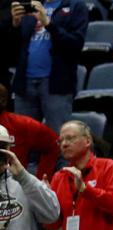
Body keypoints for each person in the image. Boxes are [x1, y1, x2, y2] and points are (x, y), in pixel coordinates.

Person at [9, 0, 86, 132]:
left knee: (57, 138)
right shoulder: (32, 5)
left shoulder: (76, 5)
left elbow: (75, 44)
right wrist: (15, 25)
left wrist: (48, 23)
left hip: (56, 84)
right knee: (24, 140)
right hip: (24, 84)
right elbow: (12, 50)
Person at [0, 82, 56, 178]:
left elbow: (53, 144)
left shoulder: (22, 124)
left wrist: (42, 178)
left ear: (3, 101)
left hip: (14, 186)